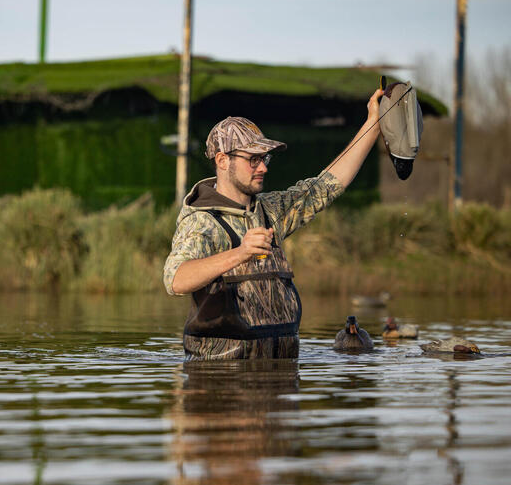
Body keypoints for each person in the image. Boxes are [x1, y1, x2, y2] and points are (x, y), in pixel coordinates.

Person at [163, 88, 384, 360]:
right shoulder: (202, 221)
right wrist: (240, 253)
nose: (263, 168)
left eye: (264, 159)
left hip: (278, 378)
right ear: (222, 161)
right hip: (218, 381)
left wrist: (373, 124)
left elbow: (326, 186)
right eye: (252, 159)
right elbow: (175, 280)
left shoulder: (271, 209)